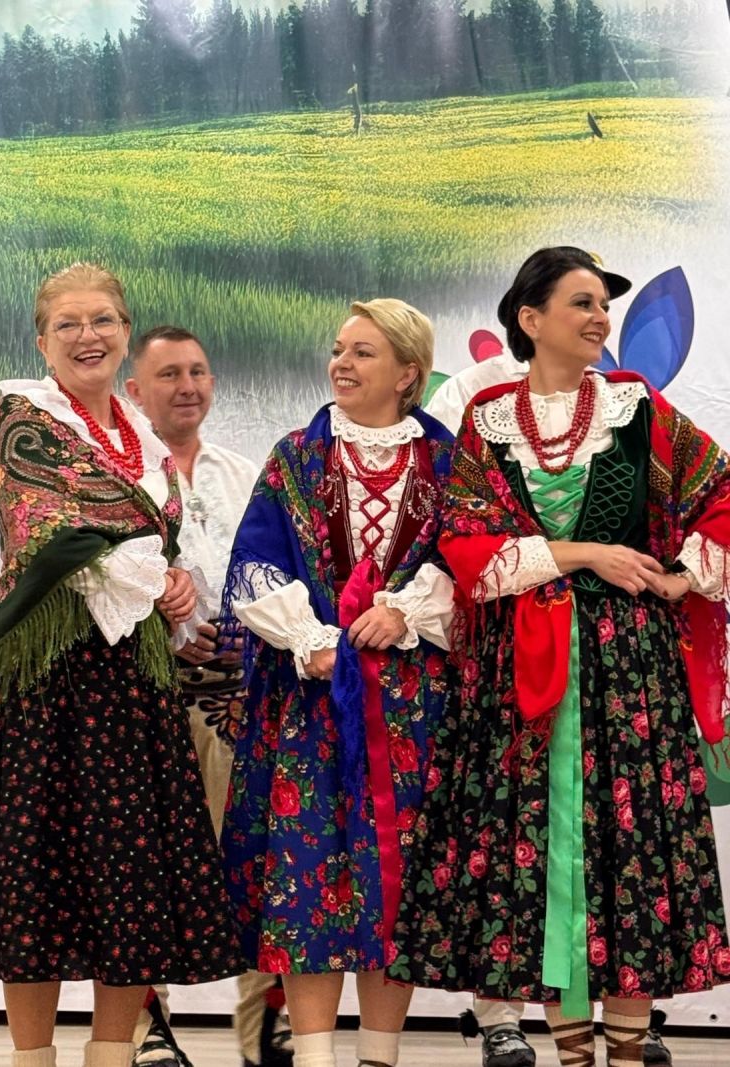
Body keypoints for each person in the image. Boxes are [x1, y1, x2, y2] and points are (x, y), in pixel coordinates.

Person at [389, 247, 730, 1067]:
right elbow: (466, 546)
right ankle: (569, 1052)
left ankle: (626, 1050)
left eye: (604, 305)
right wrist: (583, 554)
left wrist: (684, 574)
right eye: (582, 302)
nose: (600, 318)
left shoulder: (637, 408)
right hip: (520, 673)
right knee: (536, 858)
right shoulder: (488, 420)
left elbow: (721, 493)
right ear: (530, 318)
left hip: (627, 670)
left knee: (629, 851)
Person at [0, 263, 242, 1067]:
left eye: (102, 319)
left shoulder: (138, 433)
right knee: (32, 884)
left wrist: (176, 577)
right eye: (67, 323)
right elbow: (54, 535)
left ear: (125, 332)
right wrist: (153, 575)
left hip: (131, 681)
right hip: (43, 680)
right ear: (42, 341)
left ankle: (113, 1054)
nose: (87, 335)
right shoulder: (25, 418)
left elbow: (154, 539)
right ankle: (32, 1058)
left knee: (129, 882)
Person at [220, 299, 456, 1067]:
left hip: (413, 711)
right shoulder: (297, 456)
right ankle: (315, 1057)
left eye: (363, 352)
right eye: (338, 349)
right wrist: (311, 638)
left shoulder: (448, 462)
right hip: (310, 705)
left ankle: (379, 1056)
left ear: (408, 373)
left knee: (393, 887)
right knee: (307, 881)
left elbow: (470, 559)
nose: (341, 364)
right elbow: (253, 564)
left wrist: (405, 610)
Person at [125, 325, 292, 1067]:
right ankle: (144, 1028)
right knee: (140, 865)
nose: (187, 386)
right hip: (144, 697)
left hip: (238, 699)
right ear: (135, 391)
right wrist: (162, 630)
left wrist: (252, 635)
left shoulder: (243, 473)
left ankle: (265, 1025)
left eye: (197, 371)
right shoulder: (117, 476)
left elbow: (274, 575)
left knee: (260, 858)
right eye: (168, 374)